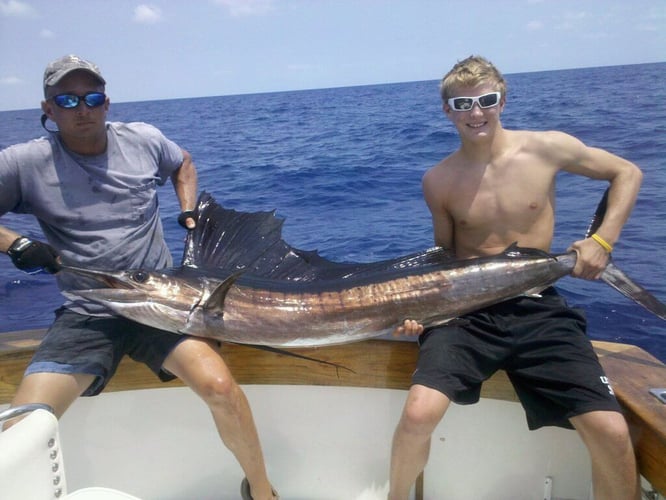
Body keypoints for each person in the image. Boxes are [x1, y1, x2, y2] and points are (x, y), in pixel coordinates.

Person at [0, 55, 278, 500]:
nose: (82, 108)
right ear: (48, 109)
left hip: (160, 304)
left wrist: (186, 210)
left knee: (222, 389)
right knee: (23, 425)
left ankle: (262, 491)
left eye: (92, 97)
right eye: (67, 100)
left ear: (106, 103)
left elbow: (182, 163)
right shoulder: (23, 162)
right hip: (89, 311)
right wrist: (15, 243)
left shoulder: (144, 139)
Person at [388, 55, 642, 500]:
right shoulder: (438, 180)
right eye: (463, 103)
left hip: (538, 304)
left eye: (486, 100)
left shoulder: (547, 148)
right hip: (465, 314)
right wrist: (419, 314)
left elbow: (627, 172)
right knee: (417, 414)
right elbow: (444, 260)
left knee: (612, 431)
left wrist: (601, 242)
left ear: (503, 99)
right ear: (447, 111)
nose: (477, 112)